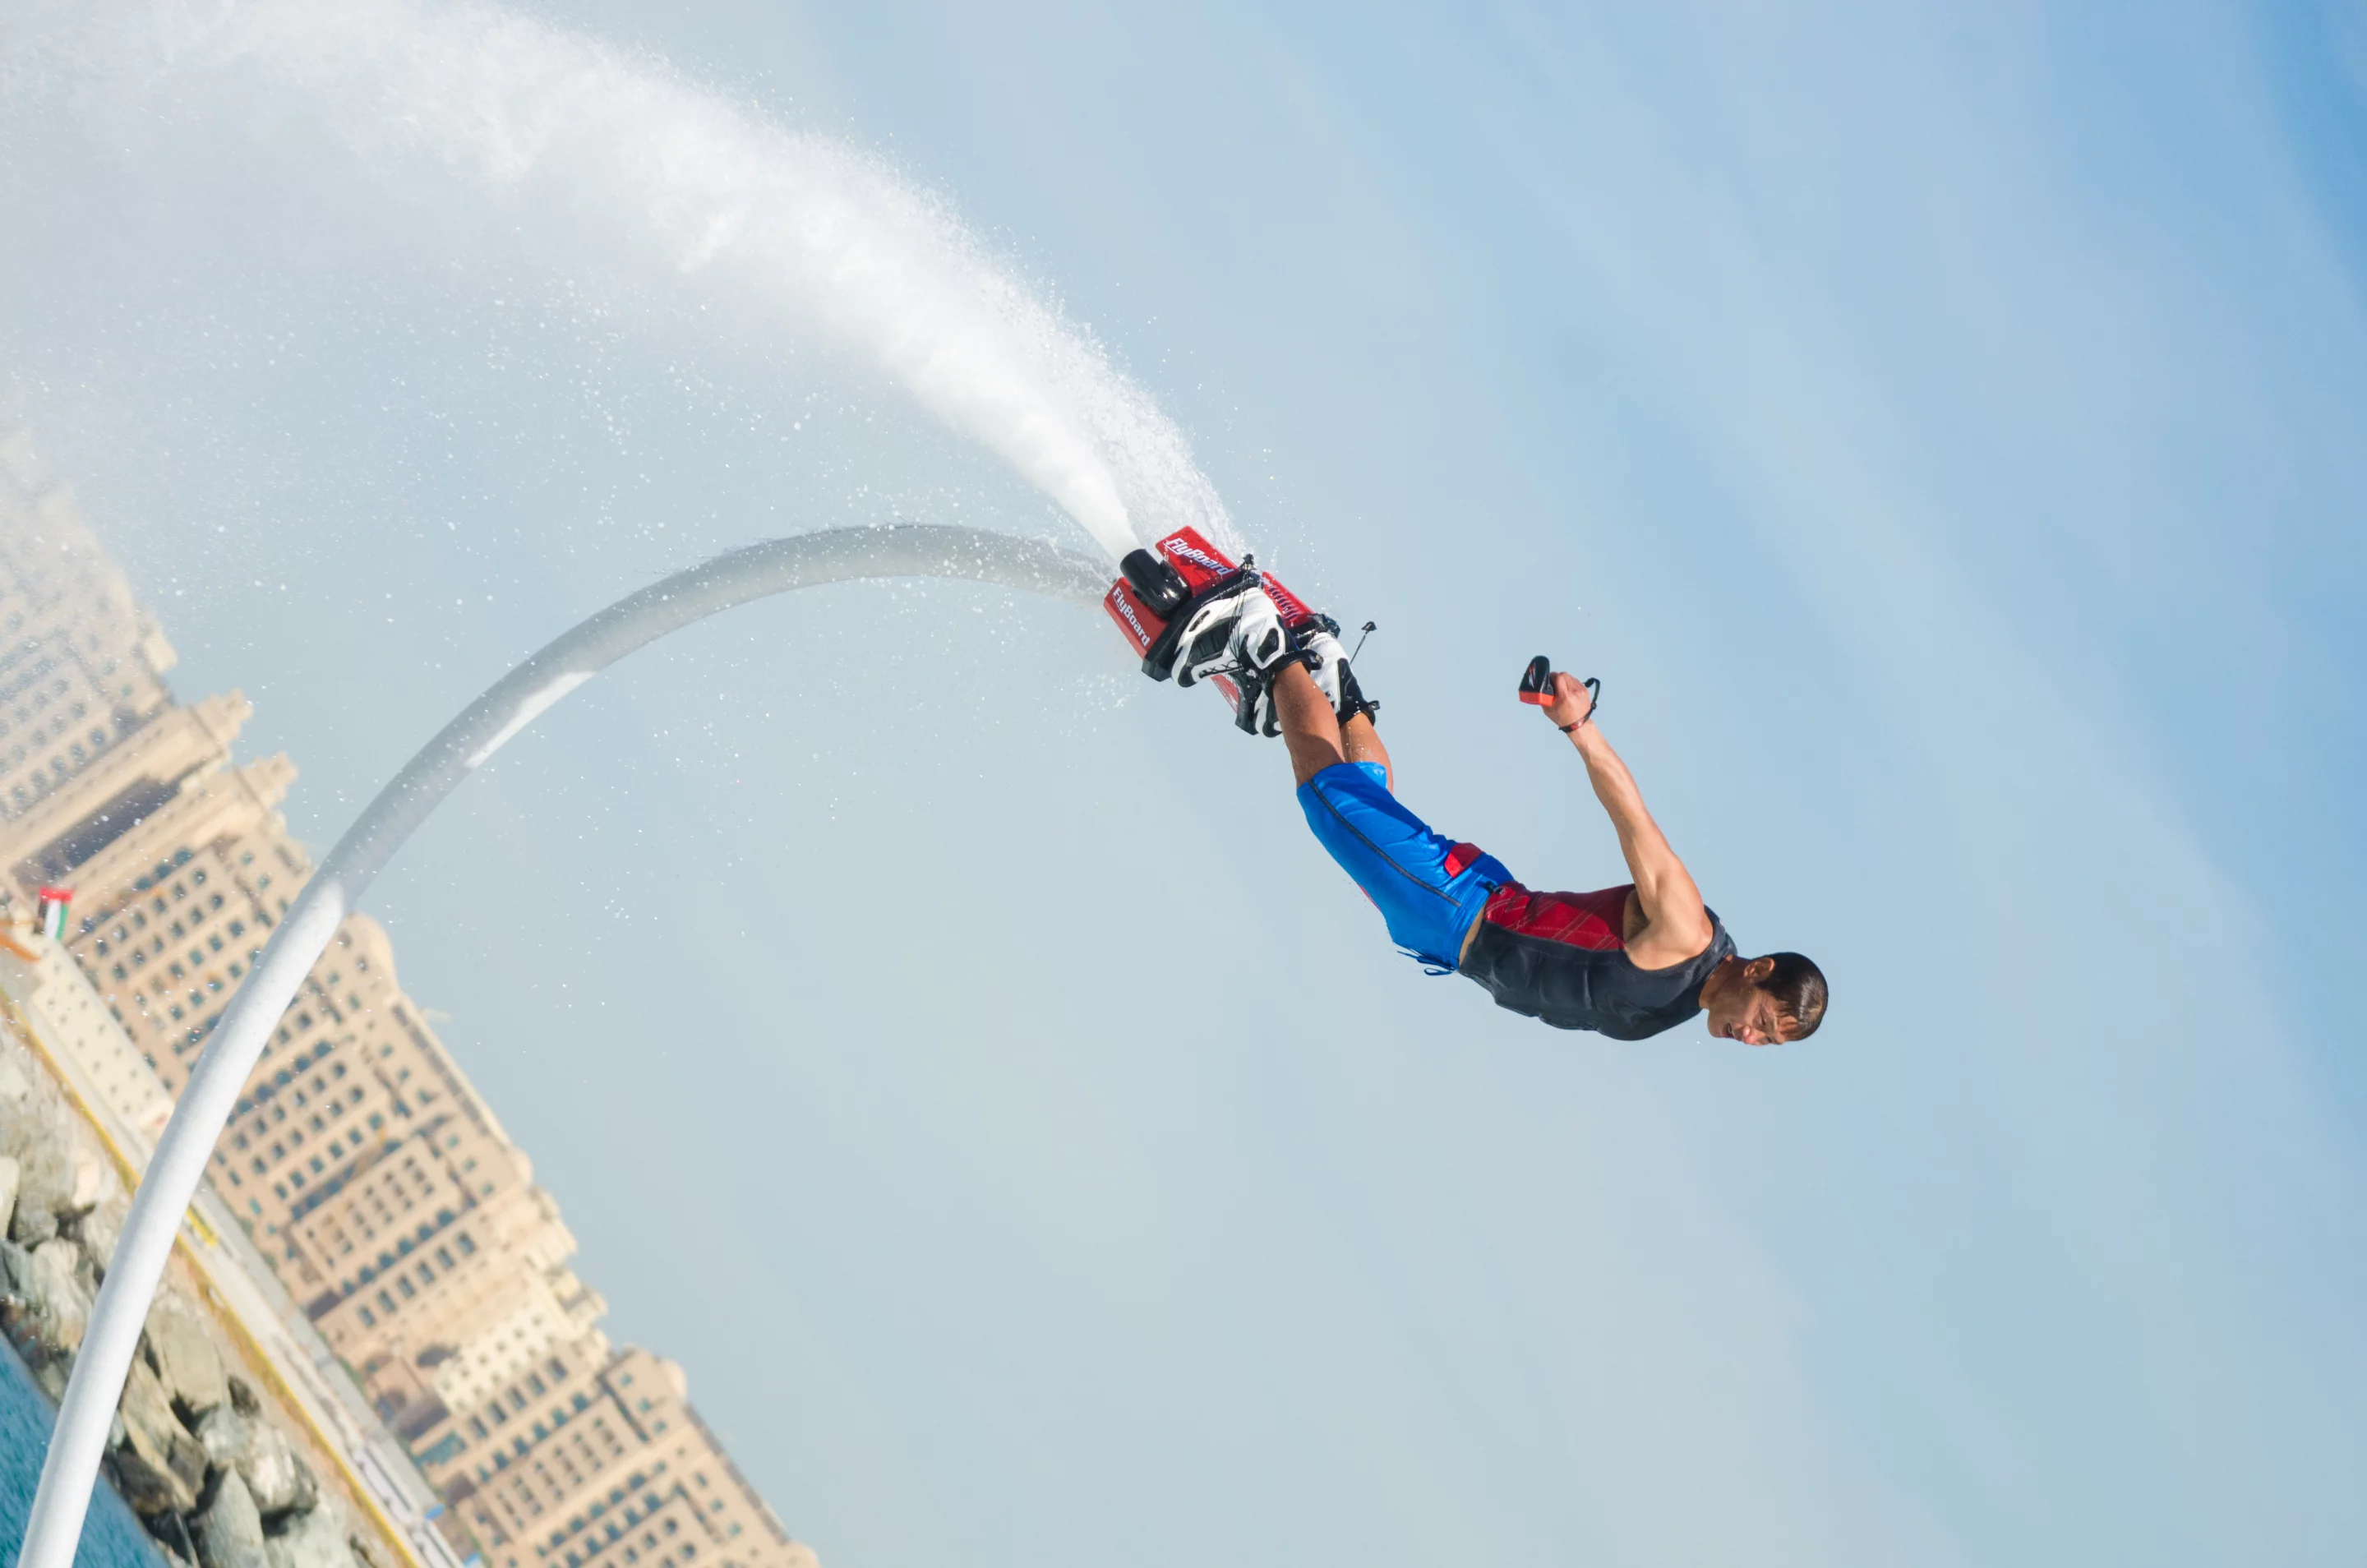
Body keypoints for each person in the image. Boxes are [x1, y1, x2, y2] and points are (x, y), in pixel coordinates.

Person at [1165, 580, 1827, 1043]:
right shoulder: (1686, 931)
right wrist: (1580, 728)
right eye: (1763, 1022)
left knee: (1364, 803)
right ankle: (1260, 636)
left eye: (1766, 1042)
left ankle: (1338, 692)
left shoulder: (1682, 1006)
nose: (1750, 1037)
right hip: (1458, 904)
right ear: (1758, 971)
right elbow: (1634, 819)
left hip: (1449, 938)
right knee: (1328, 800)